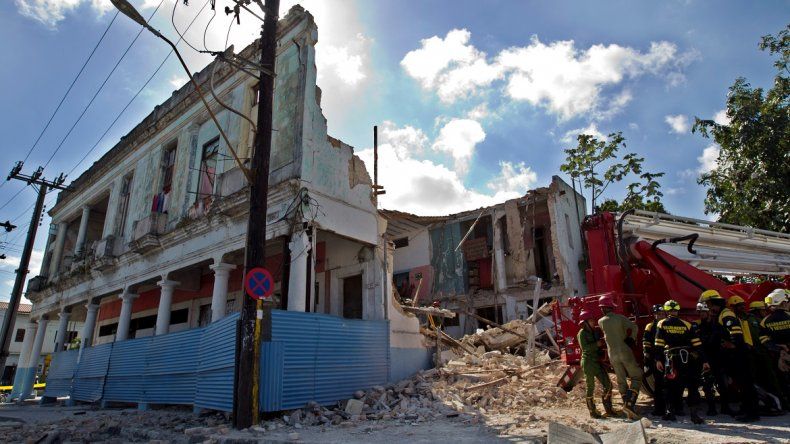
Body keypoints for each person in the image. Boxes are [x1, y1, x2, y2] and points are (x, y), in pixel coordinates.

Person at [706, 290, 759, 422]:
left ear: (714, 303)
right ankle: (746, 408)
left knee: (746, 384)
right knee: (742, 384)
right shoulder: (722, 314)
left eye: (708, 304)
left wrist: (733, 344)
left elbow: (736, 333)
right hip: (737, 354)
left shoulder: (726, 314)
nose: (709, 308)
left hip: (740, 354)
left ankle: (751, 413)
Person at [654, 299, 709, 423]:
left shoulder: (662, 323)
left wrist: (658, 360)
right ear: (677, 311)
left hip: (672, 359)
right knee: (692, 386)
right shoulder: (687, 324)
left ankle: (670, 413)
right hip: (689, 359)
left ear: (666, 311)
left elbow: (659, 344)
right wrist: (704, 360)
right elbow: (697, 344)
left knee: (670, 386)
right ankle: (694, 415)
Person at [597, 294, 642, 419]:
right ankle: (629, 404)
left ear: (603, 308)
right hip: (624, 351)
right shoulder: (620, 318)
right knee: (637, 376)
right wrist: (631, 338)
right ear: (611, 306)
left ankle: (626, 406)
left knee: (621, 380)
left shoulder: (600, 322)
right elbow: (634, 327)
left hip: (612, 355)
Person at [577, 309, 618, 418]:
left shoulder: (594, 331)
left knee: (608, 384)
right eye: (590, 321)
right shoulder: (582, 334)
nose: (593, 322)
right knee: (590, 387)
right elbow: (585, 348)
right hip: (588, 363)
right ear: (585, 323)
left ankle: (608, 409)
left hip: (596, 362)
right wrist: (597, 344)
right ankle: (592, 411)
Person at [759, 289, 790, 407]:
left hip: (775, 356)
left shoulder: (764, 321)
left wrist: (777, 348)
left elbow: (763, 340)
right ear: (782, 302)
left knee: (781, 380)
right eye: (787, 301)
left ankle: (785, 404)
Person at [695, 301, 719, 416]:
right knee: (707, 383)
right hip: (704, 357)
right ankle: (712, 408)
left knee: (721, 383)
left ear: (708, 312)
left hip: (716, 356)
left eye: (703, 312)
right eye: (700, 312)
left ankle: (725, 406)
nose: (701, 314)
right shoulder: (697, 326)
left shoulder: (715, 325)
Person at [642, 304, 667, 416]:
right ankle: (659, 409)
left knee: (671, 383)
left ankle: (674, 407)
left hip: (668, 357)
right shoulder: (650, 326)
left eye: (662, 314)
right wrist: (647, 356)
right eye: (658, 314)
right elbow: (646, 341)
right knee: (659, 384)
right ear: (654, 315)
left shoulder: (668, 324)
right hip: (656, 358)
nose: (660, 316)